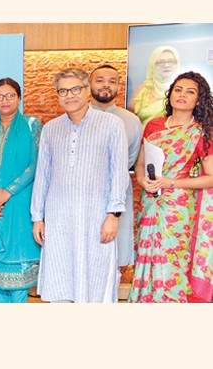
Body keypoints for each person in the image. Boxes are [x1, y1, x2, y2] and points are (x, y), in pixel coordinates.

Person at [31, 68, 129, 303]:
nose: (69, 95)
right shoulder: (51, 128)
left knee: (96, 278)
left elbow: (119, 172)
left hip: (96, 216)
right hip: (59, 218)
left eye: (76, 89)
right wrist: (38, 217)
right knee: (60, 277)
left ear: (87, 91)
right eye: (63, 91)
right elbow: (42, 174)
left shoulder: (111, 124)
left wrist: (113, 215)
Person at [130, 71, 213, 302]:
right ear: (170, 93)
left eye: (190, 92)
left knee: (171, 259)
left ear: (199, 100)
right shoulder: (154, 126)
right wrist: (141, 180)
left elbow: (211, 177)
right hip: (150, 201)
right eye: (178, 90)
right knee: (146, 256)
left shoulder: (200, 133)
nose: (182, 95)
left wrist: (172, 182)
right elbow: (140, 163)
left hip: (177, 209)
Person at [0, 78, 42, 303]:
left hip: (19, 205)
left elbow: (35, 165)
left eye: (10, 95)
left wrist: (8, 192)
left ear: (19, 97)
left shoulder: (32, 125)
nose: (5, 100)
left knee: (19, 281)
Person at [88, 64, 142, 275]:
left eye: (112, 81)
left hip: (117, 193)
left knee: (114, 256)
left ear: (119, 86)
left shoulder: (132, 121)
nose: (106, 85)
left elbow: (130, 158)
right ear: (89, 84)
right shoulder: (76, 115)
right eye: (100, 80)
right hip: (84, 193)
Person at [129, 46, 180, 126]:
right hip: (143, 137)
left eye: (171, 61)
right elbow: (131, 121)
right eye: (160, 62)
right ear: (152, 65)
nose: (166, 65)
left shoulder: (181, 91)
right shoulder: (142, 91)